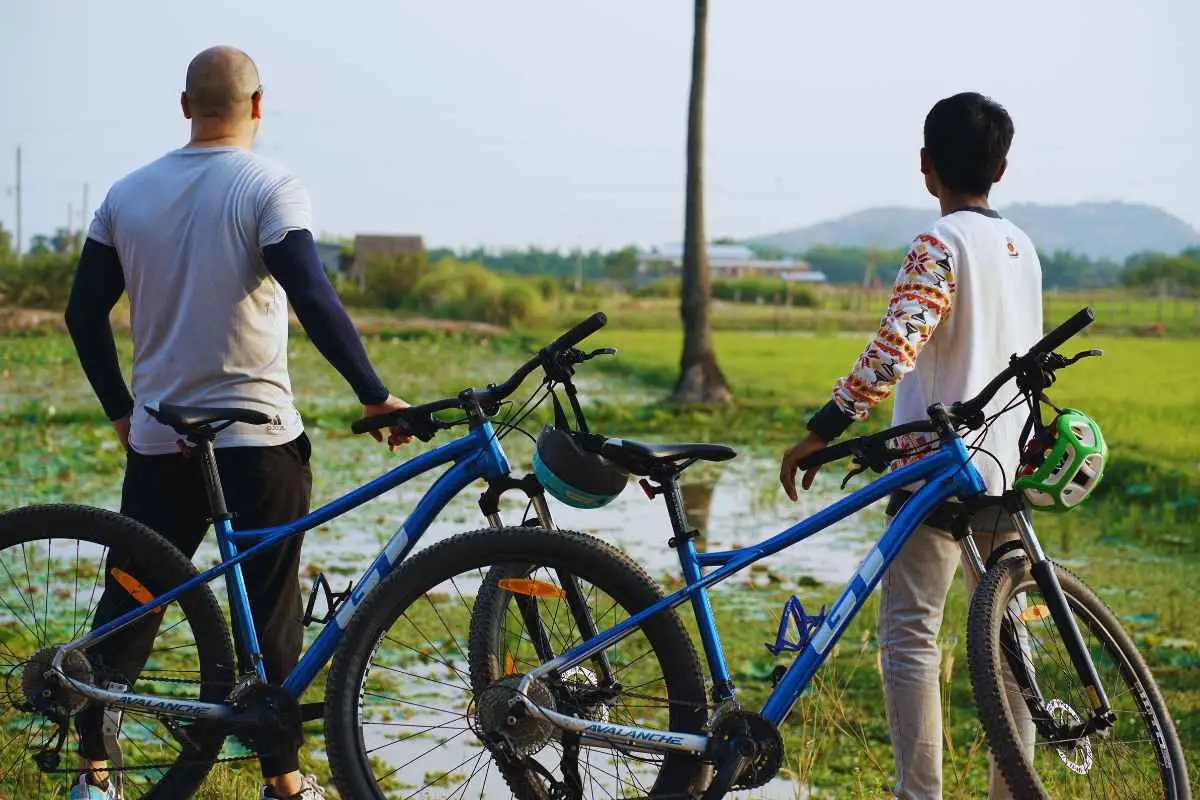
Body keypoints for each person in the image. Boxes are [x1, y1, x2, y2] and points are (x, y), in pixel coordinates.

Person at [64, 45, 409, 800]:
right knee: (270, 606)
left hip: (159, 440)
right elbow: (312, 294)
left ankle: (93, 772)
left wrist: (121, 411)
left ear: (186, 106)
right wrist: (373, 392)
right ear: (259, 104)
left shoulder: (127, 194)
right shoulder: (269, 185)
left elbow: (82, 313)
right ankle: (284, 781)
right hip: (257, 444)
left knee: (134, 594)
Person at [779, 92, 1040, 799]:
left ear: (926, 165)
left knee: (911, 637)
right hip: (1002, 464)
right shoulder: (1021, 247)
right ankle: (1015, 790)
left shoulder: (940, 243)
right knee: (1009, 640)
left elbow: (895, 350)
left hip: (933, 465)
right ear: (1002, 167)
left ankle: (918, 794)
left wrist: (822, 428)